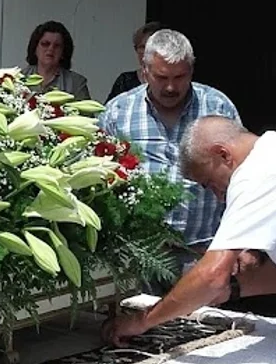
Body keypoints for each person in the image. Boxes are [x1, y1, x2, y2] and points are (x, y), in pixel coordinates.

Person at [104, 116, 276, 346]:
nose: (218, 196)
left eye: (209, 183)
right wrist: (233, 290)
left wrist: (142, 321)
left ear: (223, 154)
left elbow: (212, 276)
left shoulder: (257, 172)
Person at [99, 30, 240, 287]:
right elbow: (100, 179)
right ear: (144, 70)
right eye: (161, 77)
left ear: (192, 70)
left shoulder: (217, 107)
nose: (171, 87)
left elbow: (241, 177)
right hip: (139, 255)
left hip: (202, 253)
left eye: (180, 76)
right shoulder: (118, 112)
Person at [23, 21, 90, 100]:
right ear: (35, 48)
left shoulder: (76, 83)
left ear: (63, 52)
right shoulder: (19, 78)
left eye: (57, 46)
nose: (51, 49)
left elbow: (85, 111)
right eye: (45, 44)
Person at [105, 21, 163, 103]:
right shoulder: (125, 81)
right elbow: (109, 109)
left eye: (151, 47)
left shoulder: (173, 81)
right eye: (142, 47)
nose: (146, 51)